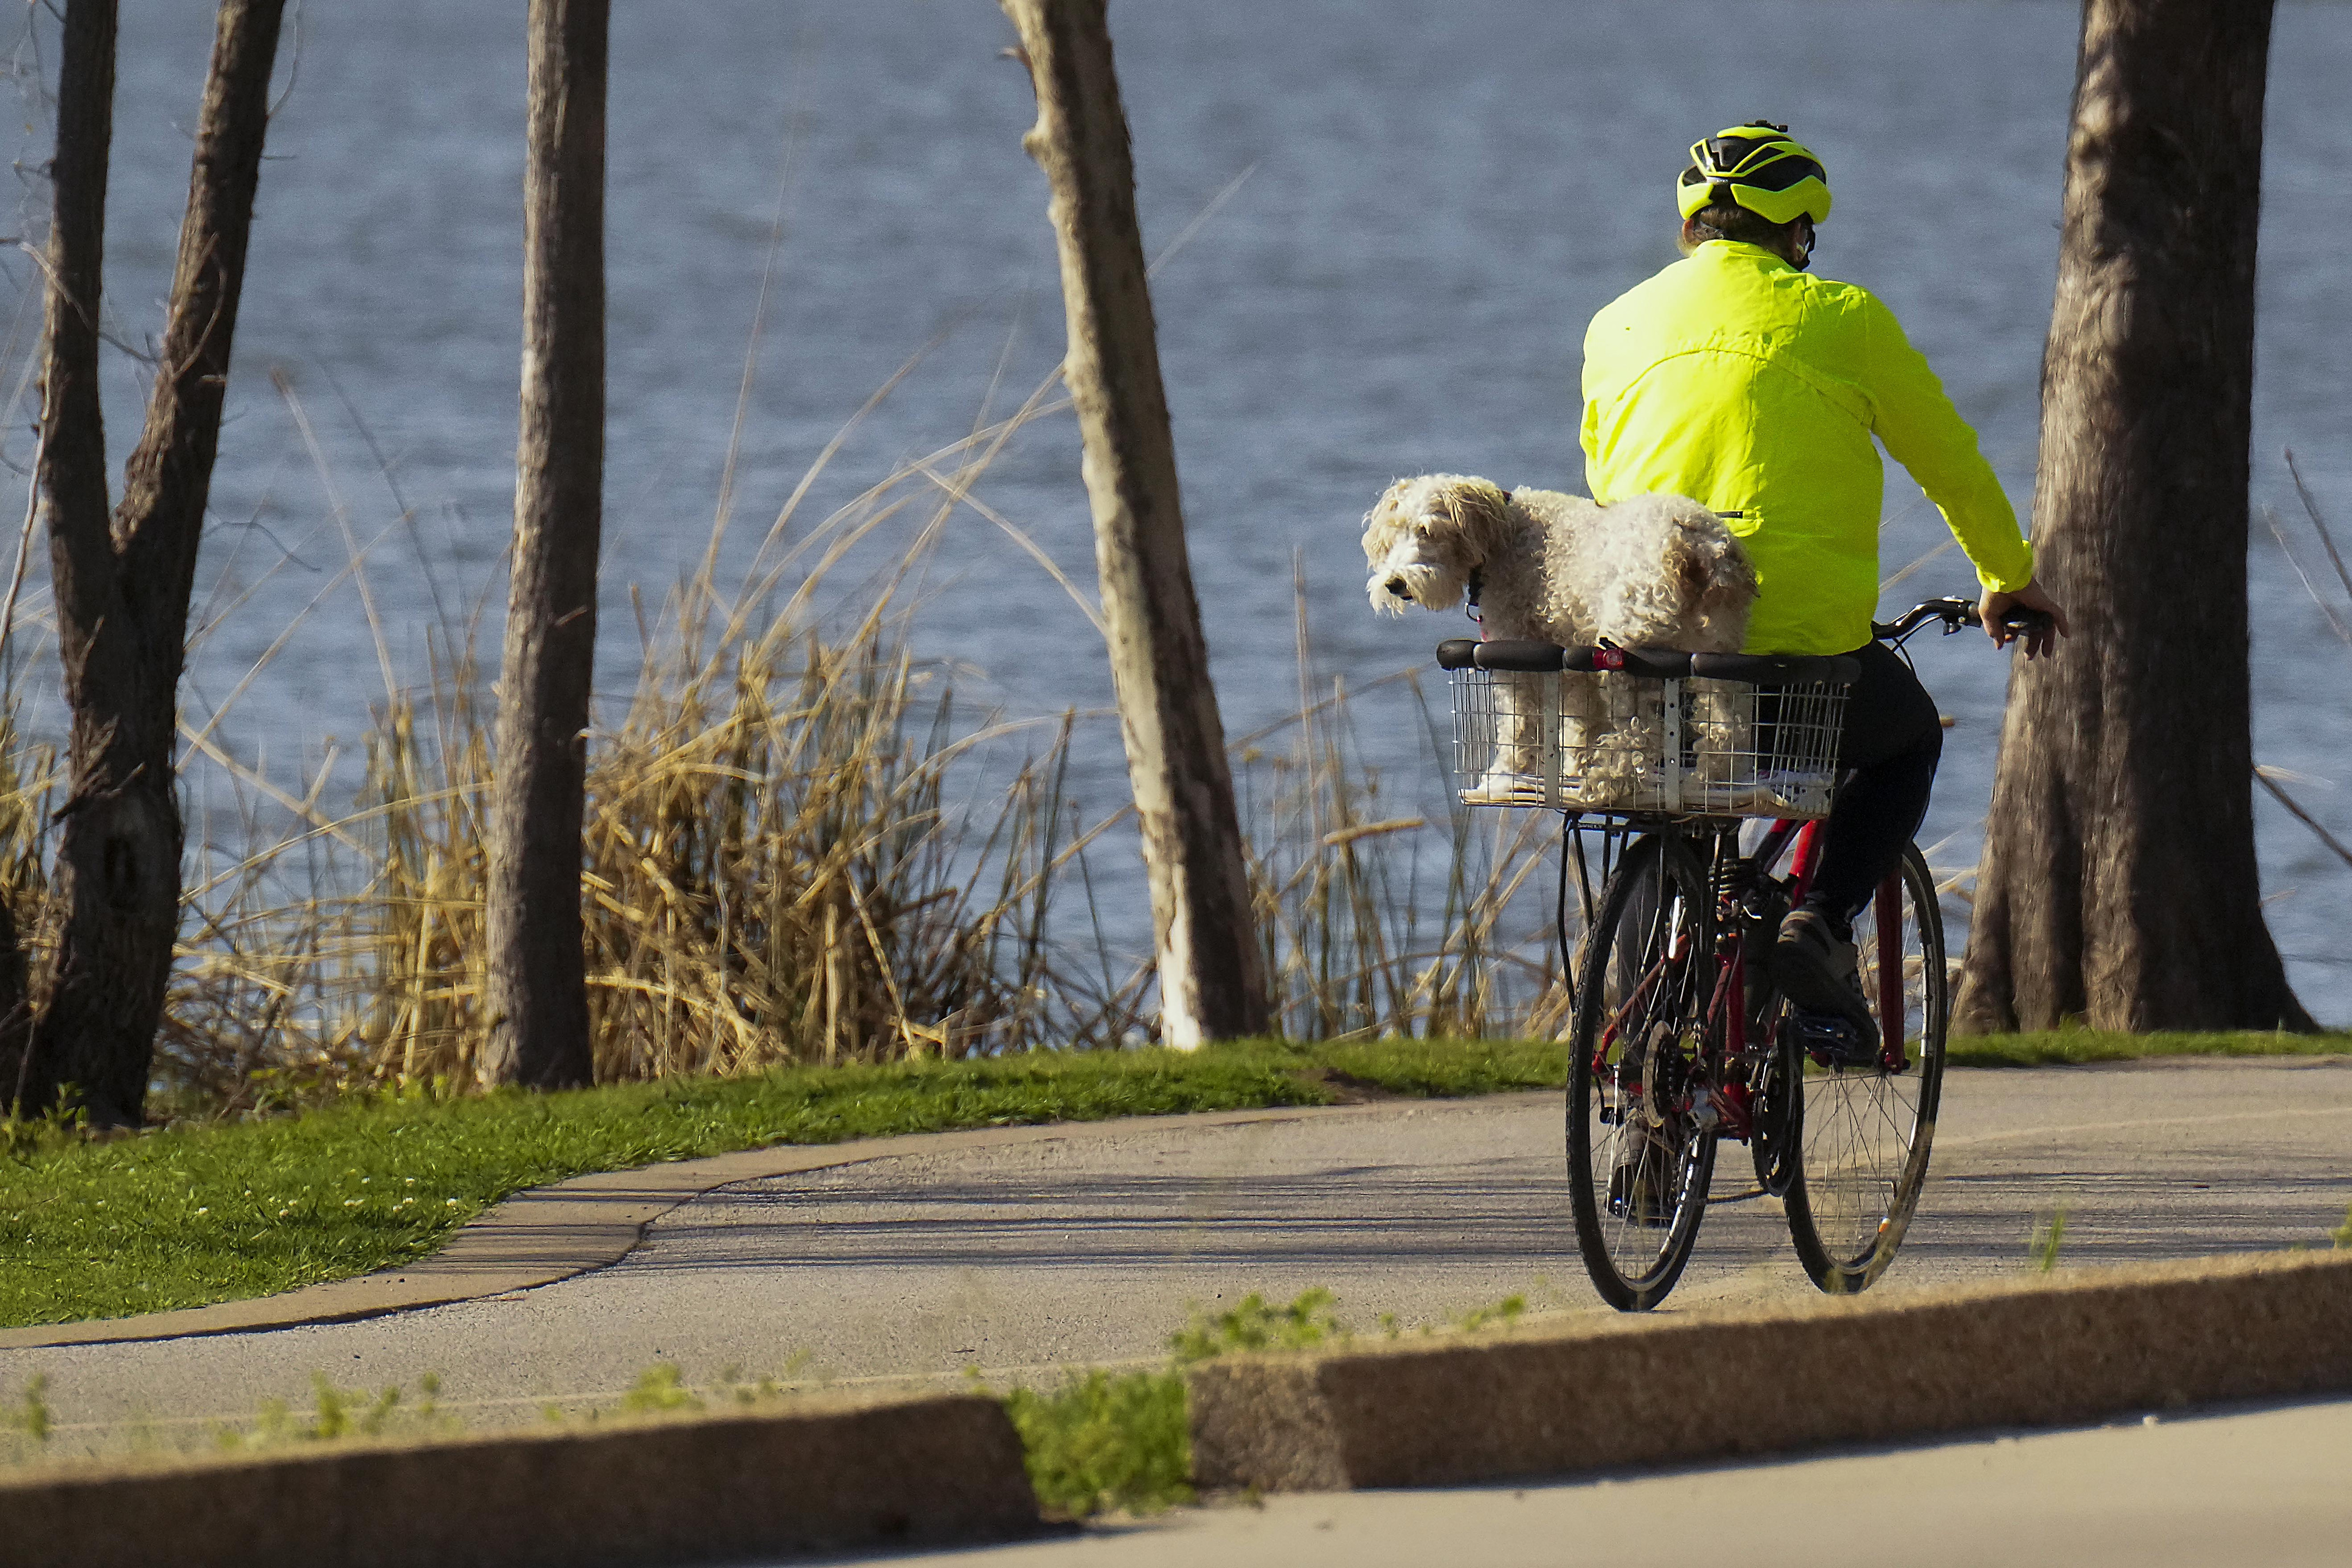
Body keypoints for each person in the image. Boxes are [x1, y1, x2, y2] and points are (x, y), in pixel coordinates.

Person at [1579, 121, 2069, 1033]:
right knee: (1906, 740)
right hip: (1796, 652)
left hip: (1648, 639)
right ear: (1797, 230)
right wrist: (2007, 575)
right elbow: (1949, 461)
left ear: (1696, 227)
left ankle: (1638, 1050)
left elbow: (1610, 484)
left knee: (1670, 800)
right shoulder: (1844, 318)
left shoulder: (1616, 323)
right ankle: (1820, 919)